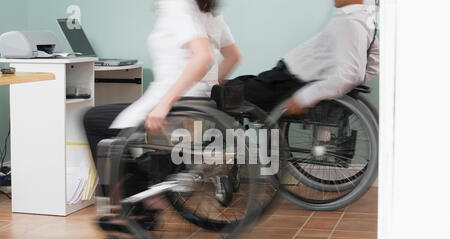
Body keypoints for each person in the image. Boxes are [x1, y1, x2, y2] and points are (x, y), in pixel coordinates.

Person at [84, 0, 241, 161]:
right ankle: (135, 178)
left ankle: (128, 184)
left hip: (173, 107)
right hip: (199, 106)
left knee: (92, 119)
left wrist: (164, 104)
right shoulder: (210, 13)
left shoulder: (176, 4)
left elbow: (203, 56)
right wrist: (204, 87)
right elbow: (232, 58)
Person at [229, 0, 379, 116]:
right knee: (238, 84)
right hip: (286, 79)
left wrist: (305, 97)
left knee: (223, 94)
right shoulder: (365, 22)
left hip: (285, 81)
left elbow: (350, 75)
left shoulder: (349, 22)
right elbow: (375, 61)